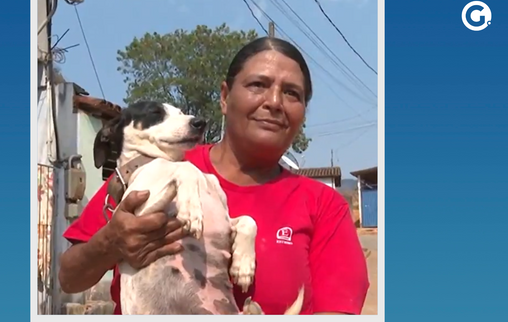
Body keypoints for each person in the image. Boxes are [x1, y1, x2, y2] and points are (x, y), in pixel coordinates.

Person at [59, 36, 369, 315]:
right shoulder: (154, 166)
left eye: (291, 93)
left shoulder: (324, 206)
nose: (274, 102)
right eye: (258, 85)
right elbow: (69, 278)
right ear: (224, 97)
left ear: (302, 112)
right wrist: (110, 244)